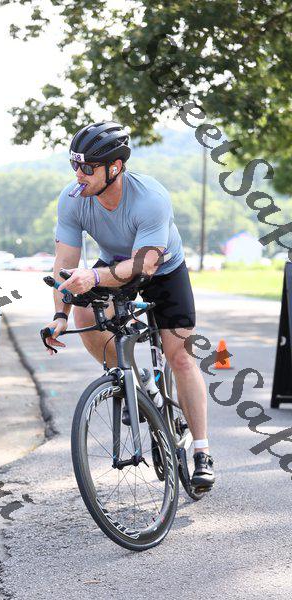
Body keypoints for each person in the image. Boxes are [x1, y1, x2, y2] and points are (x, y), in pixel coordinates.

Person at [44, 121, 214, 491]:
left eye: (87, 167)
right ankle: (134, 386)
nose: (78, 174)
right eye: (74, 165)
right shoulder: (72, 199)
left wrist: (93, 276)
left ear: (115, 168)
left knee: (180, 356)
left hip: (162, 269)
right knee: (84, 310)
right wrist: (60, 314)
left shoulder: (150, 197)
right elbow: (65, 264)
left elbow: (145, 266)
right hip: (114, 265)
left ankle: (202, 450)